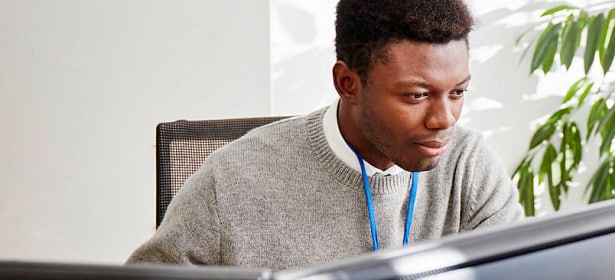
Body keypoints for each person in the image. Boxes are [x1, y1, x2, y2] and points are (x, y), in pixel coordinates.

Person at [127, 0, 524, 270]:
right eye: (417, 95)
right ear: (347, 83)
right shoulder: (231, 182)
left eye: (457, 92)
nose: (444, 119)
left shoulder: (468, 166)